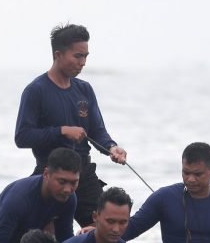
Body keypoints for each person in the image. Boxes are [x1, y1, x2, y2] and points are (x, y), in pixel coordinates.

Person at [14, 23, 127, 227]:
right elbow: (22, 137)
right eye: (77, 56)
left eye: (85, 56)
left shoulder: (84, 89)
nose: (82, 63)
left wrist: (111, 147)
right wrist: (62, 131)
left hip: (83, 173)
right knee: (45, 237)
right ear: (58, 55)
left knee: (104, 228)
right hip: (50, 174)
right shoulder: (36, 90)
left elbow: (97, 131)